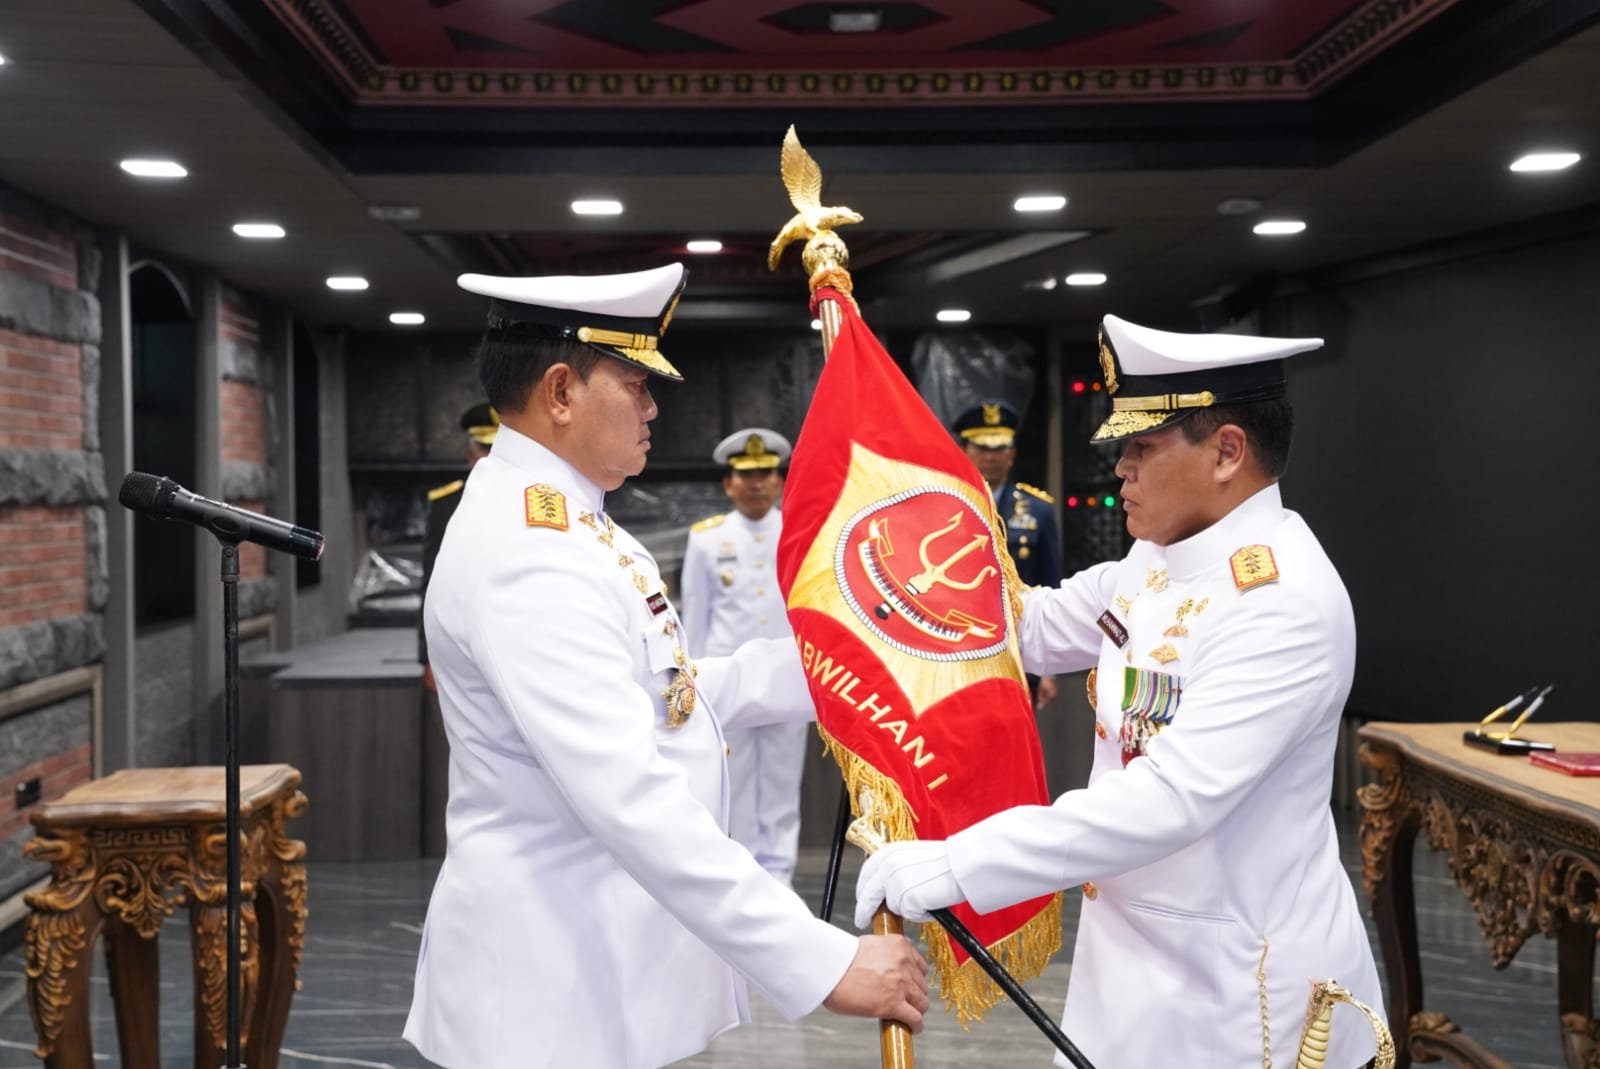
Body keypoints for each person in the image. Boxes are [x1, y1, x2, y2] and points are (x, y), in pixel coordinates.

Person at [404, 263, 928, 1069]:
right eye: (636, 383)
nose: (652, 407)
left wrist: (845, 667)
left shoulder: (570, 520)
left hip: (595, 969)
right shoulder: (530, 553)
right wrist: (821, 959)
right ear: (561, 392)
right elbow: (631, 796)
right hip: (550, 997)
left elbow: (666, 693)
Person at [858, 315, 1384, 1069]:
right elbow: (1031, 626)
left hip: (1237, 998)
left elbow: (1169, 798)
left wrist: (961, 864)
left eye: (1143, 446)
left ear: (1227, 451)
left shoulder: (1281, 601)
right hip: (1133, 976)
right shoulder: (1158, 555)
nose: (1121, 469)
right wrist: (882, 586)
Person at [679, 428, 806, 886]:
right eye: (746, 475)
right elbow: (696, 615)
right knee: (732, 779)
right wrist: (690, 682)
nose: (756, 484)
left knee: (781, 782)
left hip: (789, 678)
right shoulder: (707, 539)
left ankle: (780, 878)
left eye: (765, 474)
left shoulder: (799, 532)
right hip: (727, 680)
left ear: (779, 481)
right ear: (728, 483)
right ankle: (743, 874)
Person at [953, 398, 1062, 708]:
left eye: (999, 448)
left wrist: (1050, 669)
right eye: (981, 447)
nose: (990, 457)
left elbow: (1051, 585)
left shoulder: (1037, 511)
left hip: (1018, 649)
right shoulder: (944, 506)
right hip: (957, 646)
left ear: (1012, 454)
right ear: (965, 450)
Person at [418, 402, 498, 692]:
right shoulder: (447, 504)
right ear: (470, 453)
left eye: (497, 449)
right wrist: (427, 655)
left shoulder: (538, 501)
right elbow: (433, 582)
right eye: (485, 449)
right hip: (465, 639)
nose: (490, 457)